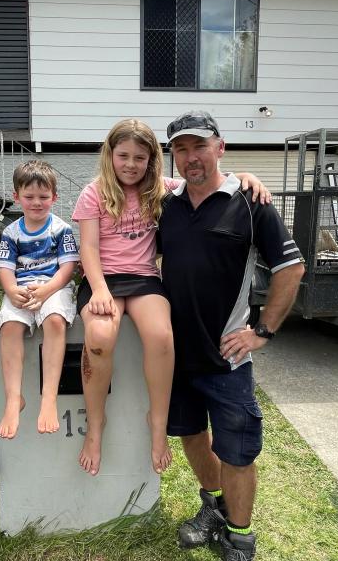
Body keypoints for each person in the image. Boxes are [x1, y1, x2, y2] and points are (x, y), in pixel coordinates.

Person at [159, 110, 305, 561]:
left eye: (199, 146)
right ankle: (214, 508)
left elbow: (291, 266)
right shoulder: (165, 201)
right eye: (181, 148)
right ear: (173, 156)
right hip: (174, 357)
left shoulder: (250, 202)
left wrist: (262, 331)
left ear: (221, 147)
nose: (191, 156)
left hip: (227, 359)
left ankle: (240, 548)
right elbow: (119, 179)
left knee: (238, 453)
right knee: (191, 435)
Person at [72, 118, 268, 477]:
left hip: (144, 278)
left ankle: (158, 427)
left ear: (152, 161)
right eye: (123, 155)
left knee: (162, 336)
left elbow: (208, 180)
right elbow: (88, 248)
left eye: (140, 158)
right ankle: (95, 427)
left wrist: (244, 177)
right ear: (110, 155)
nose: (131, 164)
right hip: (104, 280)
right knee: (100, 337)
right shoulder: (94, 192)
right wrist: (98, 288)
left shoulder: (161, 190)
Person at [0, 160, 79, 438]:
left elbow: (68, 268)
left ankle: (49, 397)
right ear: (16, 197)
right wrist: (10, 290)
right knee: (8, 327)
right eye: (29, 197)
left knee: (55, 321)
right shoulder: (11, 232)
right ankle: (13, 398)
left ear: (54, 197)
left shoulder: (61, 229)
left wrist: (46, 291)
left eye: (43, 197)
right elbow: (5, 268)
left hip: (53, 287)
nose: (36, 203)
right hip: (20, 288)